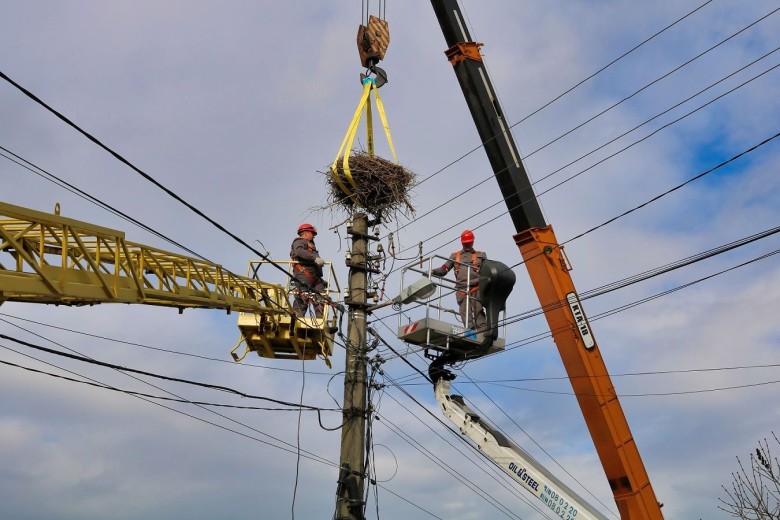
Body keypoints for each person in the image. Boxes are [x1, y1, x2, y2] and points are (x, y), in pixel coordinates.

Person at [430, 229, 487, 331]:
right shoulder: (455, 256)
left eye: (469, 242)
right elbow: (444, 269)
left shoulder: (481, 255)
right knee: (465, 311)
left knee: (478, 309)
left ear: (473, 242)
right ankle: (470, 331)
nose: (467, 244)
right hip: (461, 289)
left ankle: (483, 331)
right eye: (466, 243)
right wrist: (432, 271)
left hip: (476, 287)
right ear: (462, 243)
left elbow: (487, 271)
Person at [290, 223, 328, 318]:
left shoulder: (310, 245)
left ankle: (320, 320)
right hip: (304, 274)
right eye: (312, 234)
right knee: (303, 297)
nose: (314, 236)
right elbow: (299, 252)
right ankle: (297, 319)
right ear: (306, 233)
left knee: (321, 297)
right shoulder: (300, 241)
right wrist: (314, 258)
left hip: (315, 277)